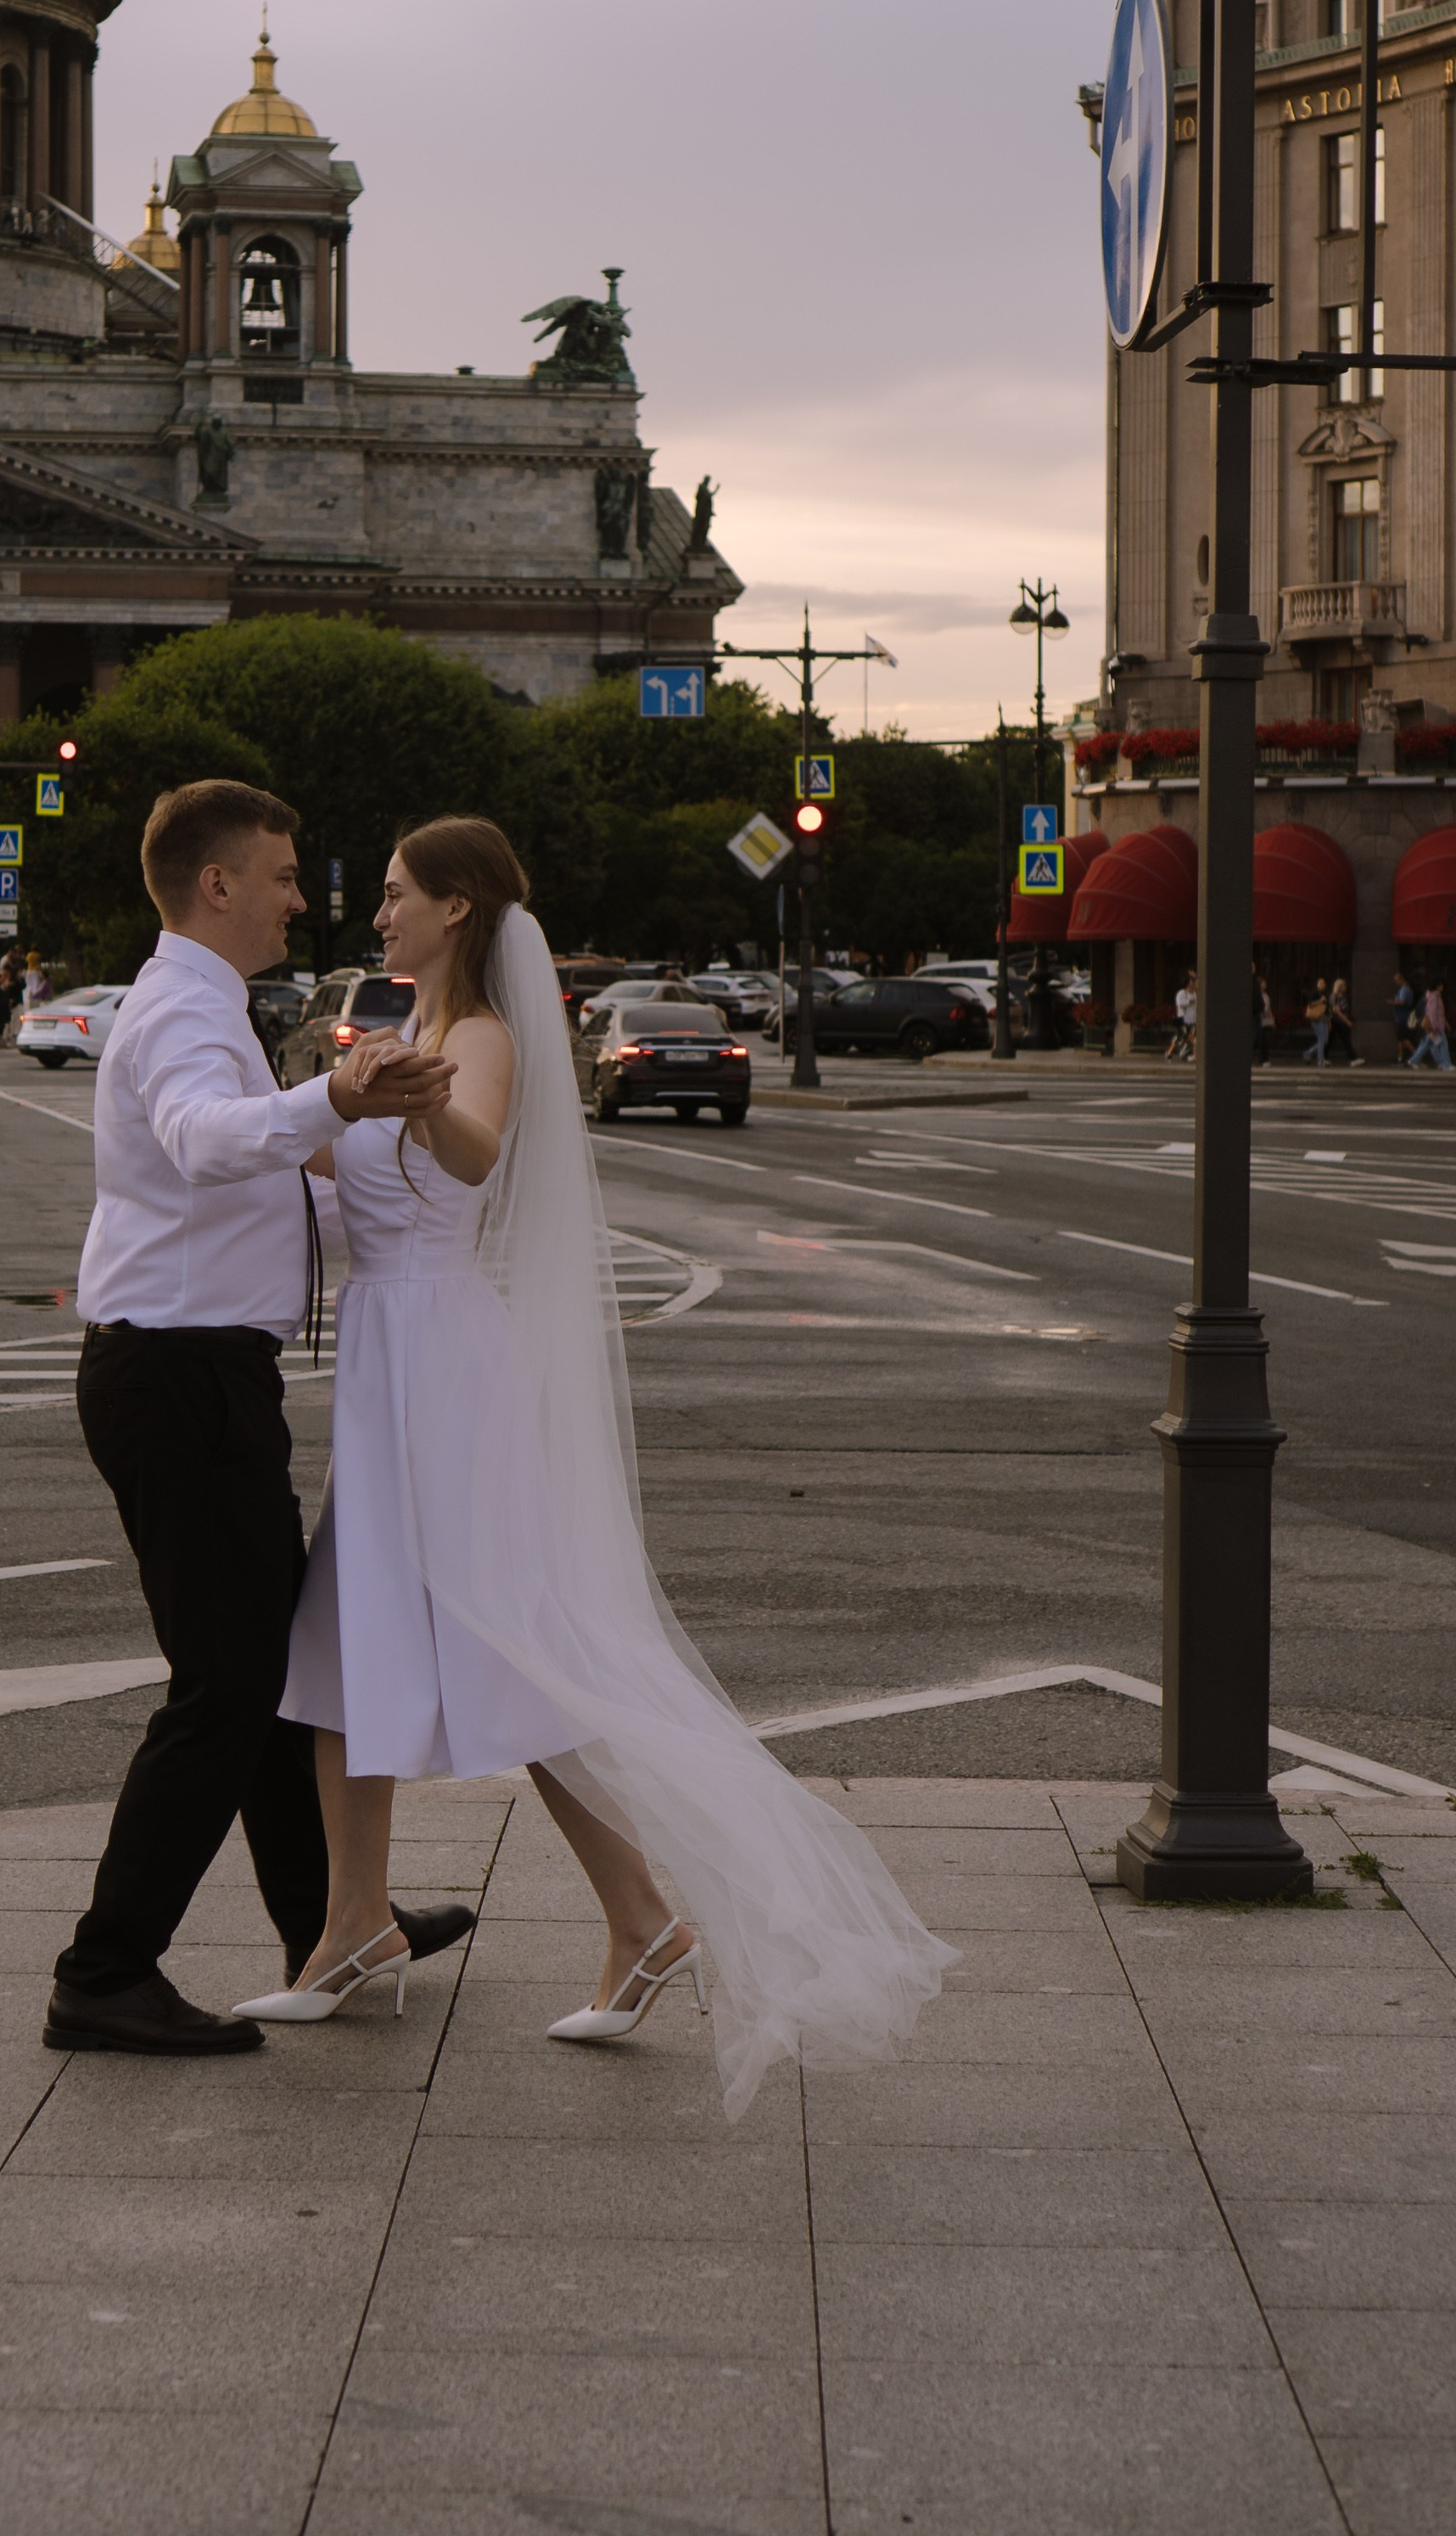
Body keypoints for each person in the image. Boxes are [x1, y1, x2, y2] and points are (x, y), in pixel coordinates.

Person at [249, 818, 955, 2118]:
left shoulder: (480, 1040)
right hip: (391, 1358)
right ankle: (359, 1924)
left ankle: (641, 1916)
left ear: (458, 908)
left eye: (399, 896)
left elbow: (474, 1154)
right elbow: (348, 1181)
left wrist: (405, 1096)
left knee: (513, 1648)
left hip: (446, 1367)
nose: (381, 915)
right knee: (342, 1641)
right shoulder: (409, 1032)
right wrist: (318, 1113)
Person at [46, 778, 467, 2061]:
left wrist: (404, 1219)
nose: (301, 899)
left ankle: (334, 1927)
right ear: (217, 885)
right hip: (179, 1383)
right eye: (281, 876)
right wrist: (334, 1106)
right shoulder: (181, 1012)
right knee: (227, 1688)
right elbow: (202, 1142)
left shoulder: (202, 1002)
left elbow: (258, 1191)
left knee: (273, 1675)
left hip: (196, 1377)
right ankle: (104, 1971)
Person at [1411, 979, 1454, 1070]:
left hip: (1436, 1025)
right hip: (1437, 1026)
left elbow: (1439, 1013)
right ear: (1438, 986)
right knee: (1443, 1045)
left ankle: (1414, 1060)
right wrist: (1435, 1026)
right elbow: (1433, 1013)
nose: (1442, 987)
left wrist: (1446, 1024)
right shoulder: (1435, 997)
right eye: (1441, 985)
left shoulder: (1433, 996)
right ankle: (1447, 1064)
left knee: (1428, 1044)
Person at [1166, 973, 1196, 1062]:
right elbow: (1179, 1004)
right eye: (1192, 982)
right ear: (1187, 983)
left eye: (1194, 982)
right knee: (1180, 1037)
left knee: (1190, 1037)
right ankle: (1170, 1052)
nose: (1194, 984)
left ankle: (1185, 1052)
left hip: (1193, 1019)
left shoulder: (1194, 994)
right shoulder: (1182, 993)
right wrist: (1188, 1002)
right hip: (1183, 1019)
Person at [1326, 975, 1355, 1066]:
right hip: (1336, 1021)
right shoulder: (1334, 997)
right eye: (1344, 986)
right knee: (1344, 1040)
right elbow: (1336, 1011)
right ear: (1339, 987)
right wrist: (1347, 1021)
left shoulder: (1343, 997)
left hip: (1340, 1021)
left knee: (1333, 1040)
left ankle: (1323, 1057)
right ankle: (1354, 1058)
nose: (1345, 988)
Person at [1303, 978, 1330, 1065]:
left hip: (1325, 1018)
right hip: (1317, 1018)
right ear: (1317, 984)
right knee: (1321, 1039)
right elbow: (1310, 1005)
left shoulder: (1326, 994)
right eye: (1320, 983)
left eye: (1323, 983)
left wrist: (1329, 1022)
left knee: (1324, 1040)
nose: (1322, 984)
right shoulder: (1315, 993)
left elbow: (1327, 1009)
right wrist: (1320, 1001)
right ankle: (1320, 1060)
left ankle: (1308, 1053)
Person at [1392, 969, 1418, 1058]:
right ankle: (1400, 1057)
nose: (1395, 982)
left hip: (1403, 1017)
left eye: (1396, 980)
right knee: (1400, 1038)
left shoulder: (1405, 989)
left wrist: (1392, 1003)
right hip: (1400, 1017)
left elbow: (1402, 1002)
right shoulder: (1403, 989)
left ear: (1401, 979)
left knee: (1403, 1038)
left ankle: (1416, 1055)